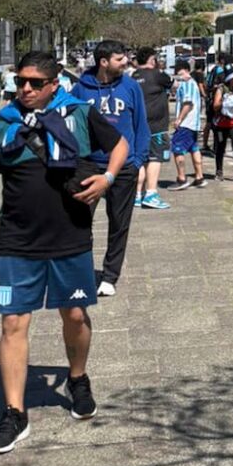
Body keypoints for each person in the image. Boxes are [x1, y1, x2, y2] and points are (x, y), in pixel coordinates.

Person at [0, 50, 128, 455]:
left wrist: (107, 178)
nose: (25, 89)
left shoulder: (78, 113)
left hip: (70, 236)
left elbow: (121, 143)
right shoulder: (4, 122)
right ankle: (15, 413)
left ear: (54, 84)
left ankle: (77, 378)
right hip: (16, 242)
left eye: (35, 83)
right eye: (20, 81)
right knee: (12, 325)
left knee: (74, 315)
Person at [71, 40, 150, 297]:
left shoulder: (131, 87)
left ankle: (109, 275)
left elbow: (141, 126)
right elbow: (70, 124)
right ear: (103, 62)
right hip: (90, 166)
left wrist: (137, 161)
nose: (125, 62)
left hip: (125, 167)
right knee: (80, 222)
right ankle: (81, 271)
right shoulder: (81, 88)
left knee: (119, 222)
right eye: (119, 59)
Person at [131, 47, 173, 210]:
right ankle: (151, 193)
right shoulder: (157, 75)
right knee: (155, 158)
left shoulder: (133, 77)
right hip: (157, 126)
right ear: (151, 60)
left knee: (141, 159)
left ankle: (137, 194)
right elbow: (172, 84)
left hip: (138, 127)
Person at [168, 60, 206, 191]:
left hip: (186, 123)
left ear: (185, 70)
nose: (177, 75)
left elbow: (188, 104)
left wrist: (179, 119)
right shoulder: (191, 84)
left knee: (177, 149)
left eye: (178, 72)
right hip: (193, 124)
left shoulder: (188, 84)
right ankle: (199, 177)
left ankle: (182, 178)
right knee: (194, 149)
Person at [202, 51, 227, 150]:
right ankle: (218, 145)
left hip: (209, 99)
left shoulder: (213, 69)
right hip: (215, 100)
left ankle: (205, 143)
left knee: (208, 123)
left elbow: (206, 84)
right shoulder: (220, 71)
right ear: (223, 60)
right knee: (218, 123)